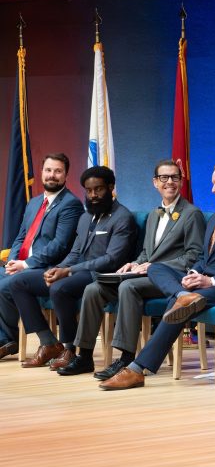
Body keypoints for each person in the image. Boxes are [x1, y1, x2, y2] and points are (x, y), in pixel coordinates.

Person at [99, 162, 215, 390]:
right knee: (155, 268)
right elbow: (204, 258)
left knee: (179, 305)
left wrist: (211, 280)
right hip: (203, 284)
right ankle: (182, 293)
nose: (213, 189)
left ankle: (136, 369)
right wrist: (194, 273)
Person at [58, 160, 205, 378]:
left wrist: (154, 266)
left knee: (128, 287)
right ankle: (84, 356)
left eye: (174, 177)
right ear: (155, 182)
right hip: (145, 274)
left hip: (170, 279)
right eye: (164, 178)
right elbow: (147, 253)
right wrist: (135, 263)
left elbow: (193, 256)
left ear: (181, 181)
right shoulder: (154, 215)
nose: (169, 182)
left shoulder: (192, 214)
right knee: (94, 288)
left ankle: (127, 358)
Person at [9, 165, 137, 369]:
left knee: (60, 288)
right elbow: (76, 252)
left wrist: (68, 271)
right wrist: (58, 268)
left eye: (99, 189)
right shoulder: (85, 217)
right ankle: (49, 342)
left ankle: (70, 348)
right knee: (18, 282)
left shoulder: (123, 217)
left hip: (100, 275)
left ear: (111, 187)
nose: (93, 195)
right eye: (88, 190)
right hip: (76, 271)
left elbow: (112, 259)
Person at [0, 153, 84, 360]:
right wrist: (13, 261)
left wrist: (25, 264)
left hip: (50, 267)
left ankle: (7, 340)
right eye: (48, 170)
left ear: (66, 175)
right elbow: (20, 236)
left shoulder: (70, 204)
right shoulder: (35, 202)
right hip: (23, 265)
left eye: (58, 171)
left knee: (5, 286)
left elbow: (59, 245)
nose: (52, 175)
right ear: (41, 172)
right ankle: (6, 338)